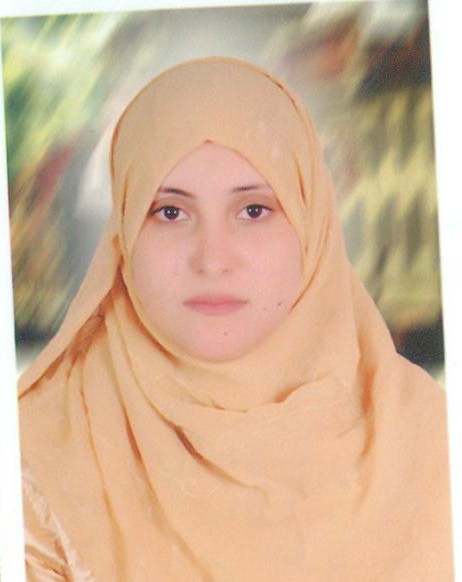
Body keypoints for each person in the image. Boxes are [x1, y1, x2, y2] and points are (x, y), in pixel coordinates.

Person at [18, 57, 453, 581]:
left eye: (253, 210)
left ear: (311, 223)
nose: (212, 259)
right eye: (170, 212)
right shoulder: (36, 458)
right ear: (125, 232)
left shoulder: (429, 438)